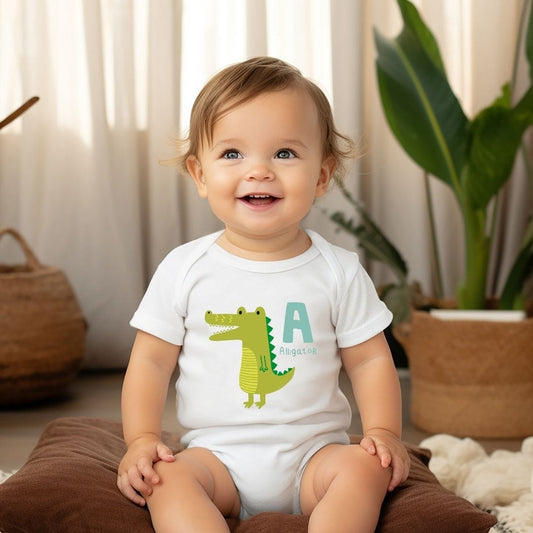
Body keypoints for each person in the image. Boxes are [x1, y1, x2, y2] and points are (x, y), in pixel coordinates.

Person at [117, 56, 410, 533]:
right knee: (164, 479)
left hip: (316, 460)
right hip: (215, 461)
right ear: (200, 174)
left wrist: (382, 434)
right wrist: (143, 439)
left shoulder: (339, 270)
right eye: (232, 154)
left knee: (365, 466)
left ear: (321, 176)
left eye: (285, 154)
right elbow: (150, 362)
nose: (259, 171)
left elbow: (370, 361)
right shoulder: (185, 268)